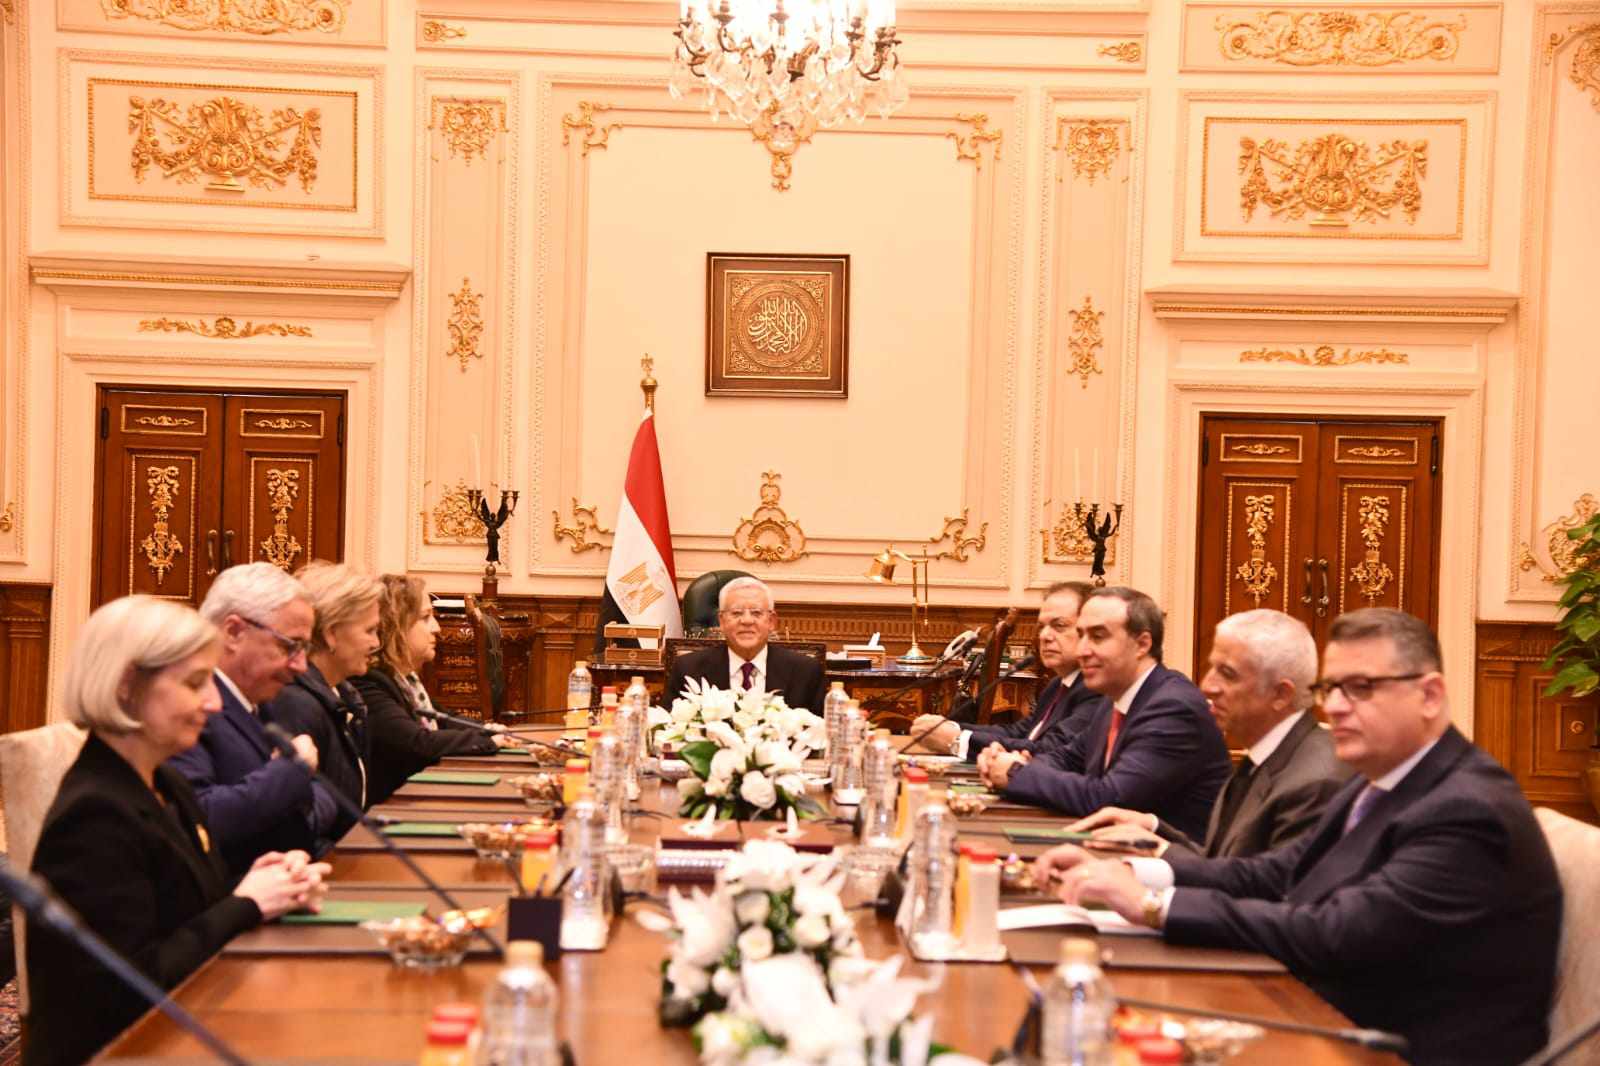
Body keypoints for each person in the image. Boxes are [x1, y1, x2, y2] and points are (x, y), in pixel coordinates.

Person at [1036, 608, 1562, 1066]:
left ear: (1429, 695)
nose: (1336, 708)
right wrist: (1131, 872)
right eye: (1332, 689)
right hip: (1330, 1014)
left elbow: (1336, 931)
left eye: (1362, 688)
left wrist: (1153, 907)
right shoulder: (1383, 779)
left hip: (1398, 1048)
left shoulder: (1468, 808)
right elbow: (1275, 872)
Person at [26, 596, 329, 1066]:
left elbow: (187, 905)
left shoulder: (164, 781)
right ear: (127, 685)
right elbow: (128, 985)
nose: (214, 702)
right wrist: (247, 904)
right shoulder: (95, 815)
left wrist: (270, 882)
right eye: (194, 683)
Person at [1070, 609, 1349, 858]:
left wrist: (1146, 892)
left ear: (1280, 694)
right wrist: (1152, 829)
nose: (1207, 686)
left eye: (1227, 673)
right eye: (1211, 667)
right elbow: (1223, 864)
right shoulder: (1266, 755)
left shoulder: (1312, 783)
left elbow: (1259, 891)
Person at [978, 587, 1230, 842]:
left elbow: (1110, 798)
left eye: (1098, 637)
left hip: (1170, 860)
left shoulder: (1173, 708)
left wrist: (1016, 772)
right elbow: (1066, 758)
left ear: (1142, 644)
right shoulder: (1116, 698)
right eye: (1081, 636)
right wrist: (1016, 765)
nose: (1082, 650)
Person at [168, 562, 341, 877]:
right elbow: (201, 817)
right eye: (290, 646)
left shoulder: (261, 701)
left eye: (304, 648)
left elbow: (325, 796)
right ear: (234, 632)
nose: (301, 665)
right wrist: (291, 770)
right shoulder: (187, 707)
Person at [352, 574, 513, 804]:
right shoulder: (368, 682)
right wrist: (489, 741)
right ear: (396, 625)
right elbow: (417, 742)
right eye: (426, 617)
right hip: (392, 809)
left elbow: (444, 718)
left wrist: (487, 729)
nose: (436, 628)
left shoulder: (405, 680)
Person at [910, 581, 1101, 760]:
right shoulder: (1058, 684)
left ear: (1091, 631)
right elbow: (1019, 732)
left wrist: (957, 740)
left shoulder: (1096, 690)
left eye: (1059, 626)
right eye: (1042, 627)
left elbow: (1049, 750)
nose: (1045, 636)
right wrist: (948, 727)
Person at [262, 561, 381, 840]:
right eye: (370, 630)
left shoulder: (344, 695)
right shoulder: (296, 703)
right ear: (331, 634)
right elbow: (299, 820)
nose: (376, 643)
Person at [661, 576, 825, 712]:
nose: (746, 621)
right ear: (721, 621)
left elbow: (819, 735)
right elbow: (668, 731)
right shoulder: (688, 669)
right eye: (736, 613)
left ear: (771, 621)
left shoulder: (805, 671)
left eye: (756, 613)